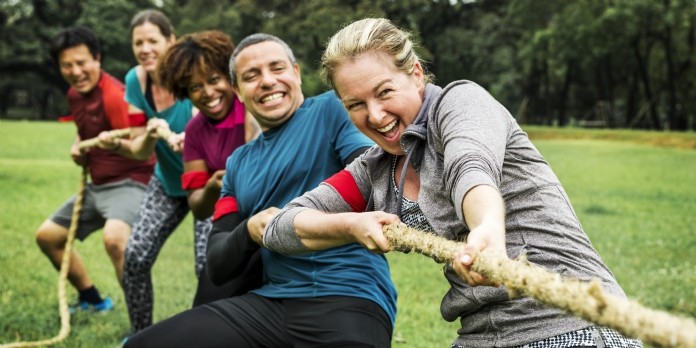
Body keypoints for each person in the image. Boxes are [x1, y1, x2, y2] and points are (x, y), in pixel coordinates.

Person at [263, 18, 644, 348]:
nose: (375, 115)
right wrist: (351, 225)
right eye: (355, 104)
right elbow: (282, 227)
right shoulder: (374, 169)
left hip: (571, 323)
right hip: (481, 336)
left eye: (384, 92)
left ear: (414, 74)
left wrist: (487, 231)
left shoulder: (461, 103)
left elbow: (470, 167)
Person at [124, 33, 396, 348]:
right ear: (238, 91)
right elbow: (218, 263)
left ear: (296, 73)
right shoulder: (238, 164)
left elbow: (371, 178)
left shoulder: (331, 111)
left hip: (348, 296)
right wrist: (250, 231)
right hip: (268, 306)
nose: (267, 81)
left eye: (276, 68)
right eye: (251, 76)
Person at [36, 26, 155, 314]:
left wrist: (112, 145)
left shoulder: (115, 95)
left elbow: (142, 146)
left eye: (82, 62)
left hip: (131, 181)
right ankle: (93, 300)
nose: (76, 71)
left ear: (97, 59)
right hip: (98, 185)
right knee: (48, 237)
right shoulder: (75, 95)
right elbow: (86, 131)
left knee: (115, 239)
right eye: (67, 65)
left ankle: (142, 326)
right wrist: (79, 146)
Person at [156, 29, 260, 305]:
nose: (208, 92)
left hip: (271, 216)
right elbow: (198, 207)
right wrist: (215, 186)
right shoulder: (195, 132)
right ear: (184, 91)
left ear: (230, 76)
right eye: (195, 87)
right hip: (230, 218)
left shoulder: (252, 105)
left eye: (214, 80)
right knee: (209, 292)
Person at [119, 9, 200, 334]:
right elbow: (138, 148)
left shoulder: (192, 75)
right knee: (135, 256)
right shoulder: (135, 80)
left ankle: (207, 336)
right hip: (167, 183)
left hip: (207, 183)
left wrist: (192, 139)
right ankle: (141, 335)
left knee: (208, 266)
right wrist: (150, 135)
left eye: (152, 40)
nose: (145, 49)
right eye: (138, 42)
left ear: (171, 40)